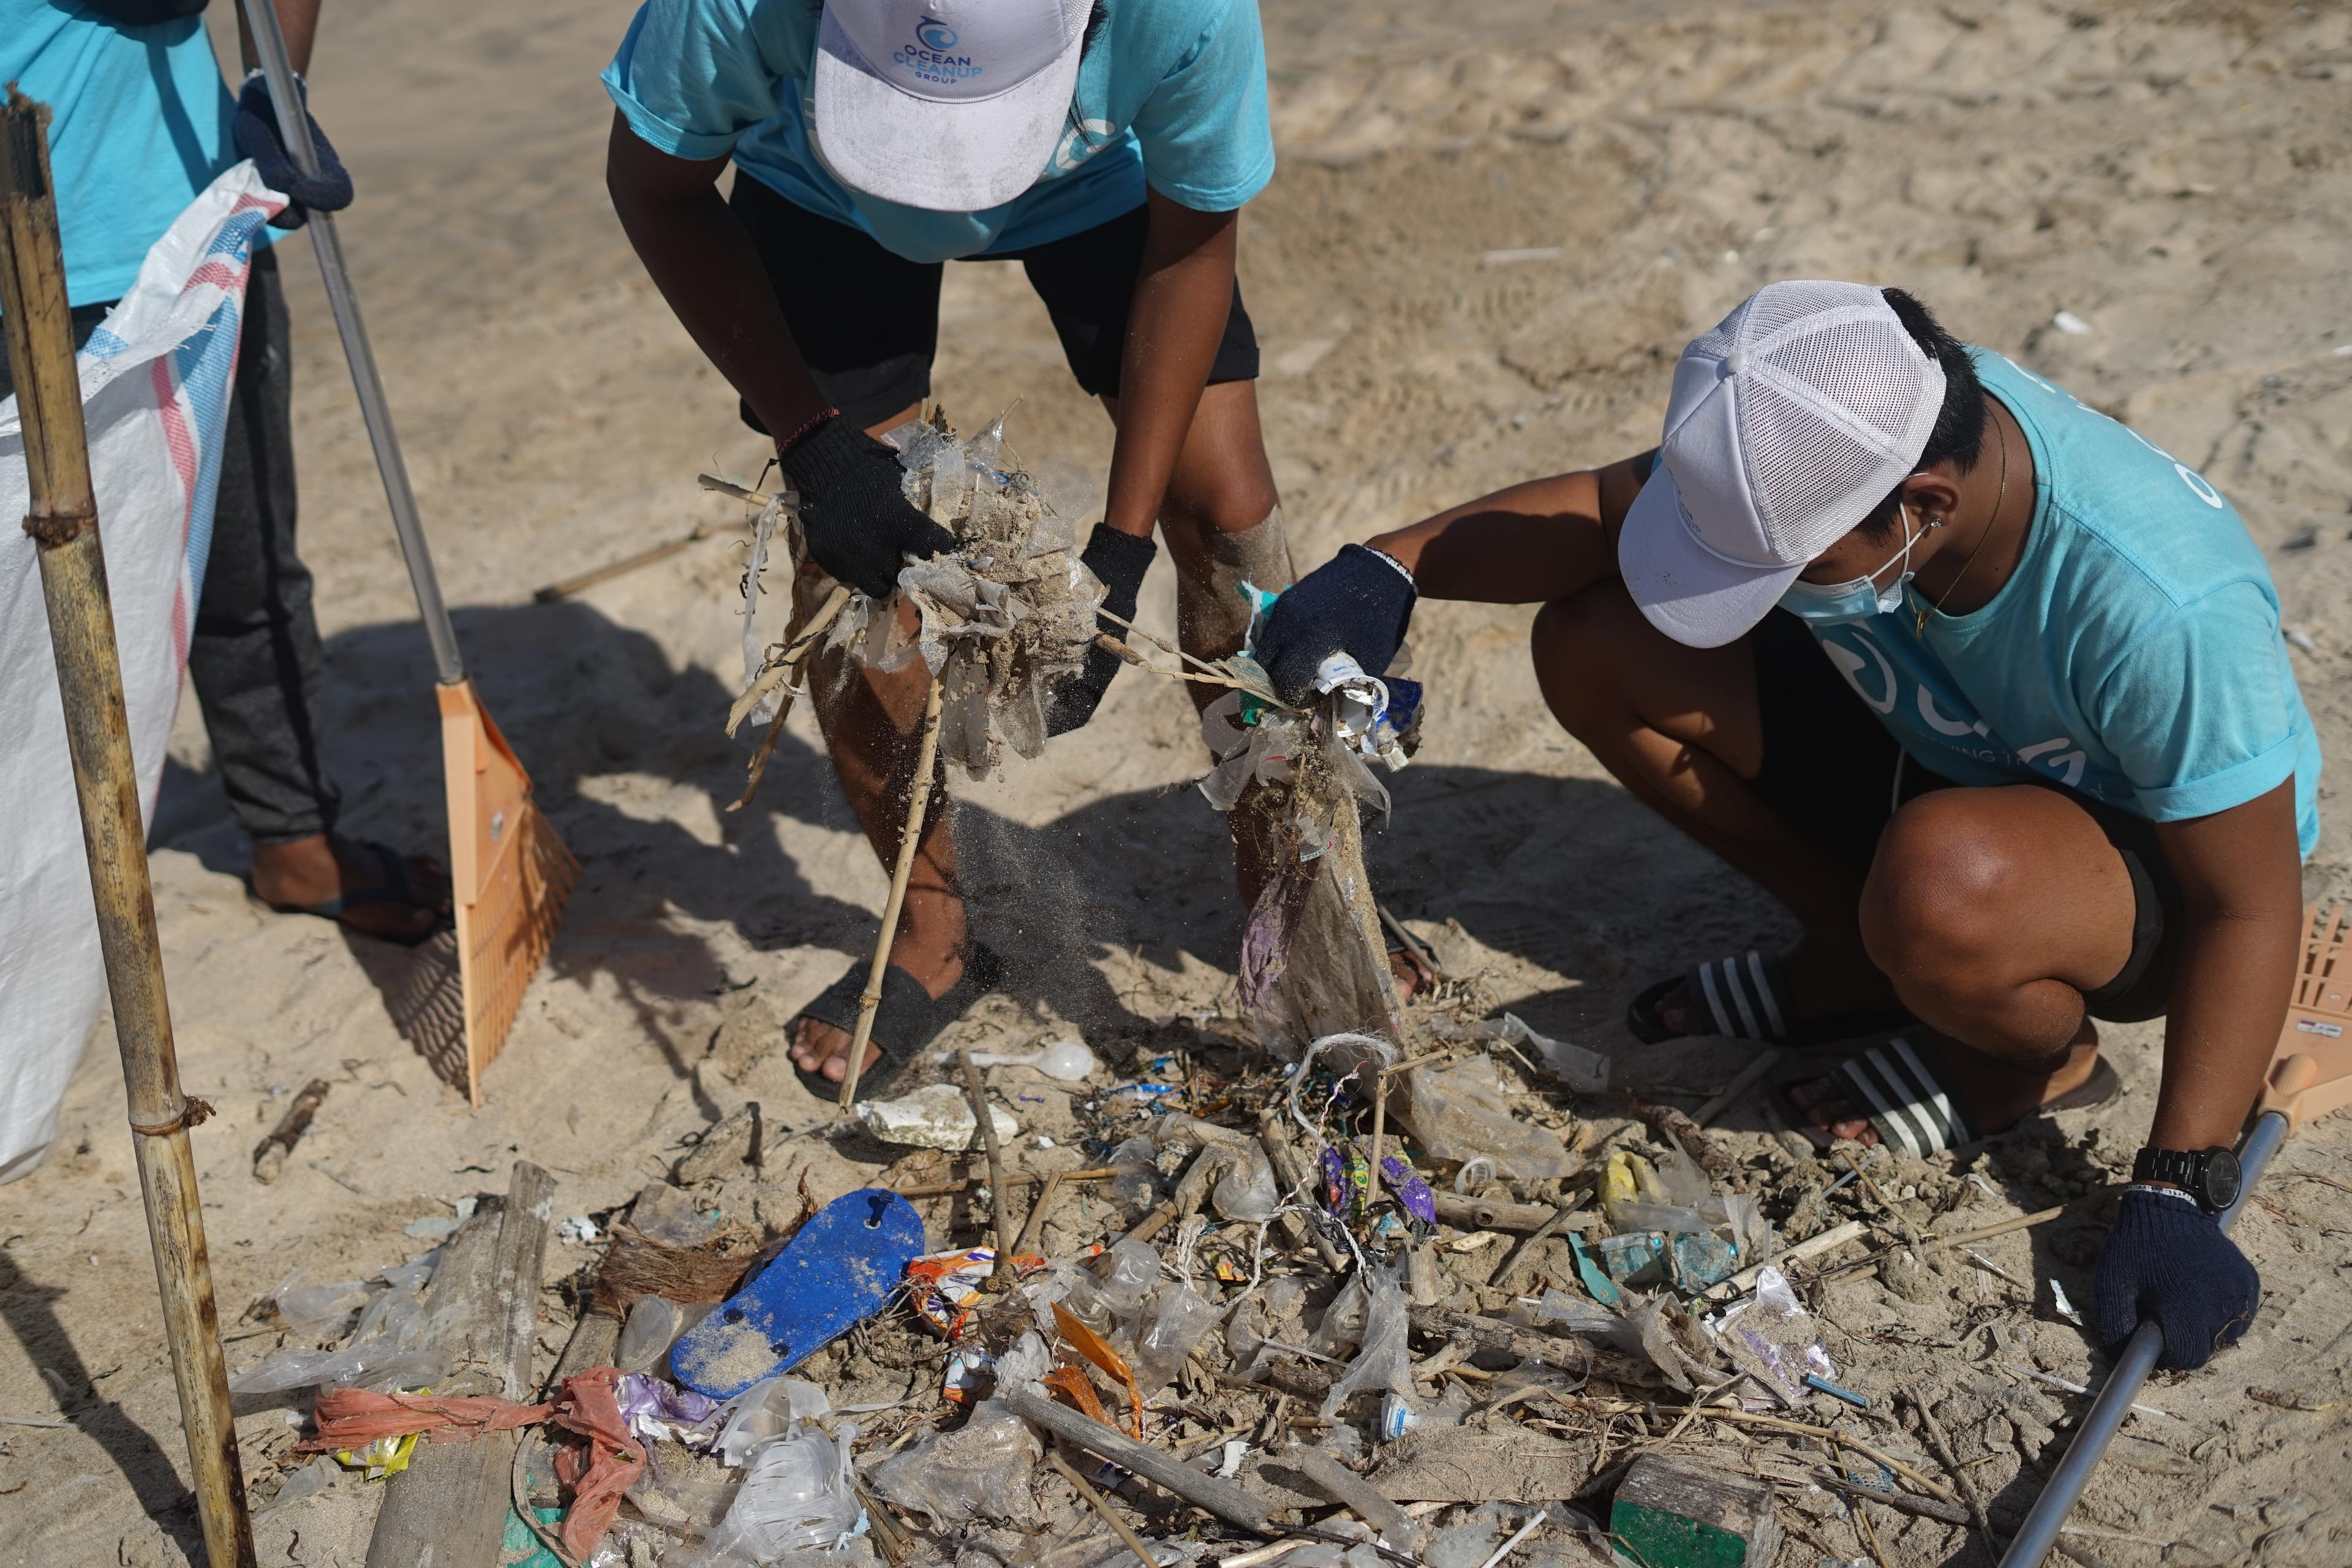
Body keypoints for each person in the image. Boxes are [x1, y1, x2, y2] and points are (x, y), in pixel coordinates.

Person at [1259, 279, 2318, 1371]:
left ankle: (2022, 1065)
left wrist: (2180, 1185)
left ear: (1924, 507)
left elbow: (2249, 901)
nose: (1760, 588)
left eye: (1785, 566)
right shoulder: (1845, 414)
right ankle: (1868, 959)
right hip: (1948, 742)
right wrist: (1391, 570)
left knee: (1942, 886)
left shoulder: (2162, 609)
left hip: (2132, 866)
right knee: (1595, 639)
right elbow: (1614, 513)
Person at [603, 0, 1298, 1099]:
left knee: (1228, 516)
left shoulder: (1185, 14)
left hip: (1100, 181)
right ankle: (938, 928)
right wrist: (812, 441)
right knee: (847, 579)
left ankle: (1288, 890)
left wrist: (1121, 548)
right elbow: (654, 184)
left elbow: (1192, 236)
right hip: (819, 184)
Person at [1, 0, 450, 943]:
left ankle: (291, 830)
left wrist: (270, 89)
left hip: (185, 223)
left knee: (242, 565)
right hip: (13, 253)